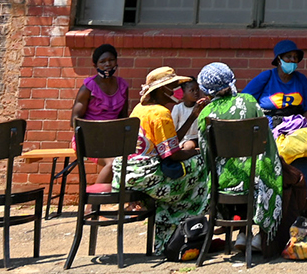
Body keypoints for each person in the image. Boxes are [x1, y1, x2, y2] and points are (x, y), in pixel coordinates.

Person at [193, 63, 285, 255]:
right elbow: (266, 143)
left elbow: (205, 154)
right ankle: (261, 236)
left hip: (222, 182)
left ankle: (242, 233)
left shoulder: (205, 114)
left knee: (232, 169)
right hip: (253, 179)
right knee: (271, 171)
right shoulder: (249, 101)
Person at [111, 67, 210, 237]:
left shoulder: (139, 108)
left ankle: (171, 232)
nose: (176, 91)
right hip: (147, 176)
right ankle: (188, 226)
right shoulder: (161, 112)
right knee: (201, 165)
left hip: (127, 172)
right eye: (172, 86)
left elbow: (170, 142)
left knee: (184, 168)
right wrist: (198, 152)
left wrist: (193, 116)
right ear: (162, 89)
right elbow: (174, 154)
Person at [241, 40, 307, 211]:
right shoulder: (266, 77)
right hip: (270, 125)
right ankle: (280, 204)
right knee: (280, 153)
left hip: (297, 124)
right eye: (288, 57)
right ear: (278, 59)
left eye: (295, 58)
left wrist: (302, 123)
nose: (292, 61)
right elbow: (244, 100)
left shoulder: (301, 80)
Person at [71, 44, 129, 187]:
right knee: (114, 163)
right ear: (95, 65)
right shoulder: (88, 88)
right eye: (102, 62)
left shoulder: (123, 86)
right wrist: (93, 133)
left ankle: (131, 203)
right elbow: (74, 120)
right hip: (89, 139)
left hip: (113, 139)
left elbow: (123, 117)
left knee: (135, 162)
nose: (107, 64)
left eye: (111, 60)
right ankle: (91, 205)